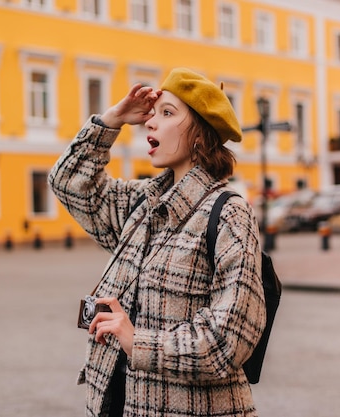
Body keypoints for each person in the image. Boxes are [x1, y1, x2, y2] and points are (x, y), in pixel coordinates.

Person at [48, 67, 266, 417]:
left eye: (167, 114)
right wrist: (112, 120)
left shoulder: (228, 213)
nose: (150, 122)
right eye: (154, 112)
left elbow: (231, 338)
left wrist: (138, 342)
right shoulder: (143, 203)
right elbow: (69, 183)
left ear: (200, 134)